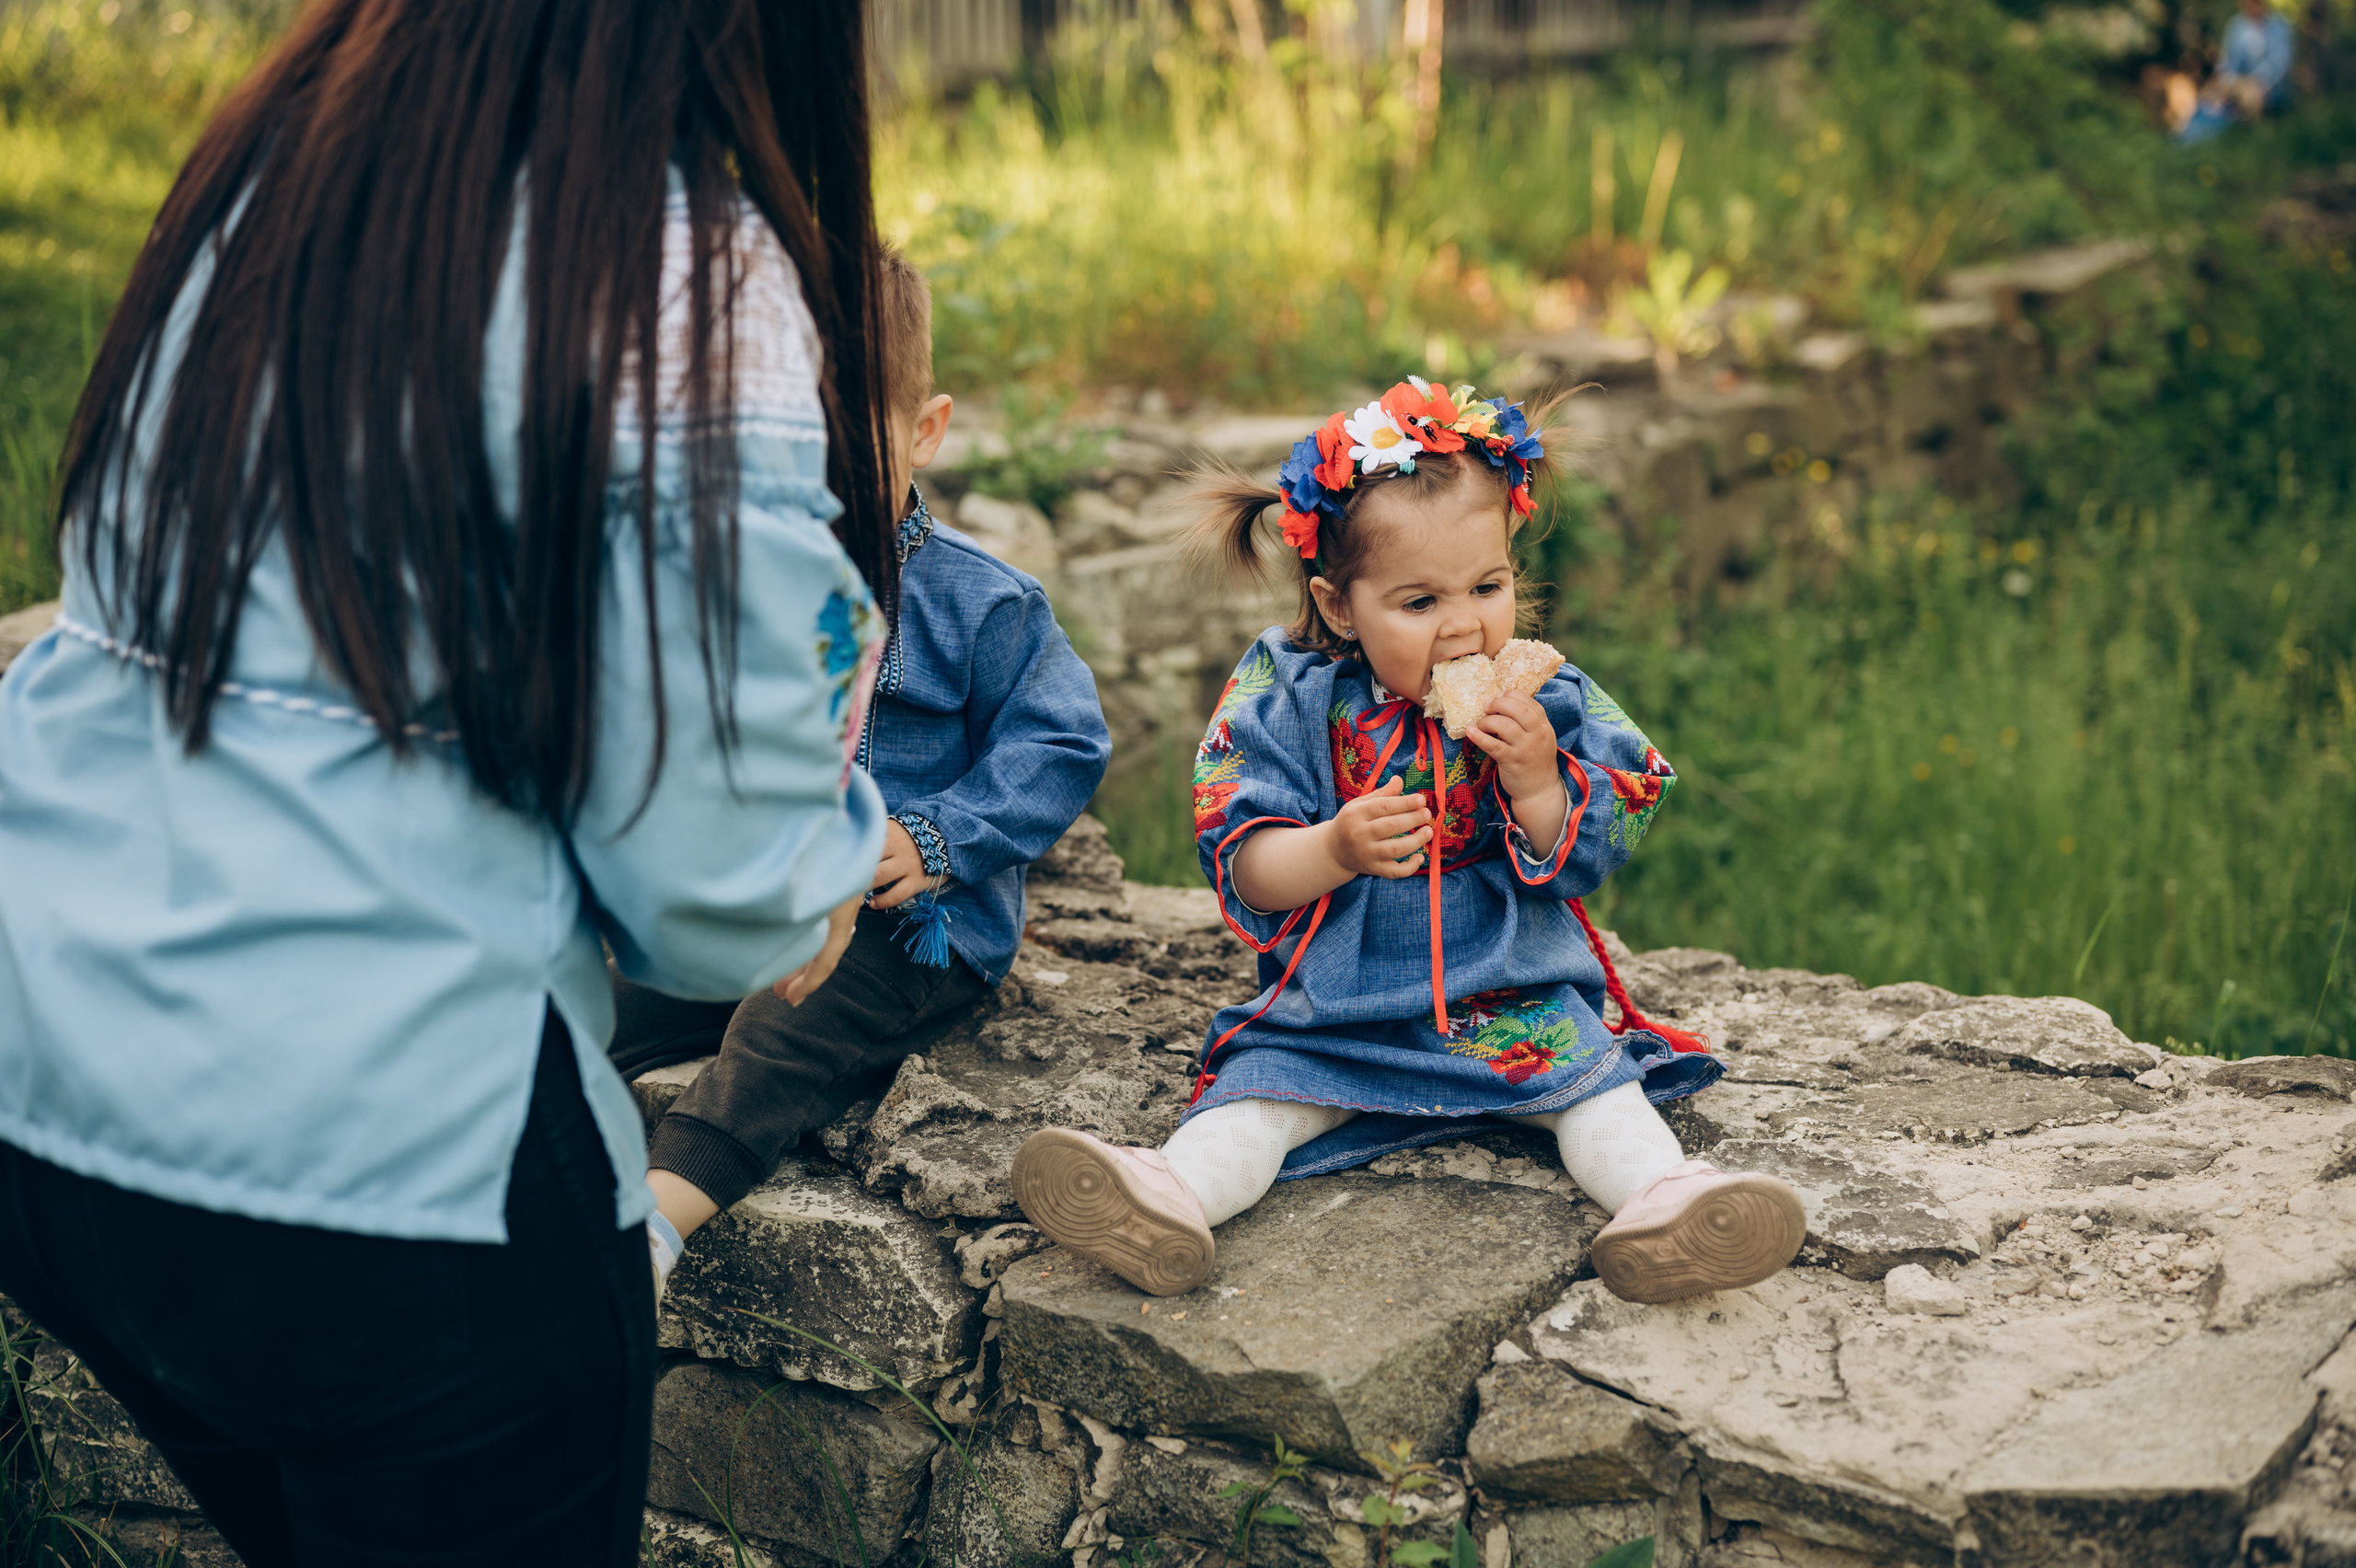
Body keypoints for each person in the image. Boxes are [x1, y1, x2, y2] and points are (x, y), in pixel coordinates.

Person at [0, 4, 895, 1564]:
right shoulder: (673, 259)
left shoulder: (283, 150)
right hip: (388, 1160)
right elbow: (714, 885)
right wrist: (814, 875)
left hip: (59, 1080)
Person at [1009, 379, 1807, 1307]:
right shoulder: (1291, 697)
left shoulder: (1544, 698)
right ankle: (1167, 1199)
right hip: (1339, 1009)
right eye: (1419, 601)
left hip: (1508, 996)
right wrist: (1332, 849)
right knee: (1252, 1101)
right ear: (1340, 605)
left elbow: (1595, 847)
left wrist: (1539, 782)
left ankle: (1665, 1206)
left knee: (1600, 1089)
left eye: (1489, 586)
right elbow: (1247, 866)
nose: (1466, 622)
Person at [614, 250, 1112, 1287]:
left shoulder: (981, 603)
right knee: (606, 992)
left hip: (910, 925)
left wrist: (930, 840)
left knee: (783, 1031)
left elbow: (1059, 742)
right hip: (757, 900)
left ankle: (654, 1228)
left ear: (923, 432)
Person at [2174, 0, 2296, 145]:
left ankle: (2258, 141)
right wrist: (2224, 81)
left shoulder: (2280, 27)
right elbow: (2230, 63)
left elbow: (2280, 64)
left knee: (2249, 96)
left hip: (2271, 87)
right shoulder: (2237, 27)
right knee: (2211, 97)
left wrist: (2258, 81)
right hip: (2241, 84)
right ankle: (2189, 135)